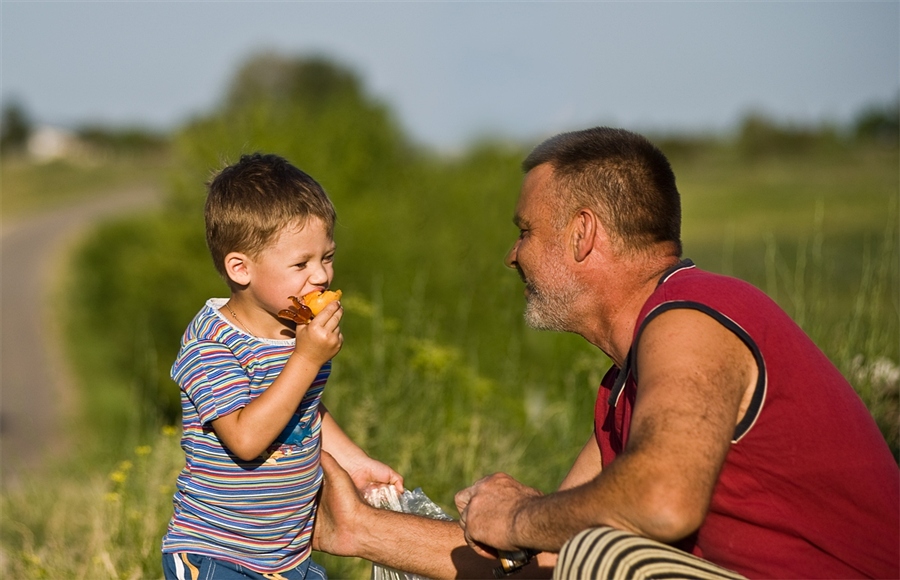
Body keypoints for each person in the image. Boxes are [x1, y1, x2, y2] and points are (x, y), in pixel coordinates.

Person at [312, 127, 900, 579]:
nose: (512, 256)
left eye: (525, 231)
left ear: (582, 233)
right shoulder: (626, 383)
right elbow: (543, 564)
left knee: (603, 553)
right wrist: (359, 529)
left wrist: (515, 518)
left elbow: (660, 504)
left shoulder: (693, 317)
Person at [161, 153, 403, 580]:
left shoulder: (293, 331)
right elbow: (245, 439)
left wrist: (355, 462)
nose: (321, 276)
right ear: (241, 268)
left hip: (285, 558)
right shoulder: (212, 344)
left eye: (327, 257)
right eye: (301, 264)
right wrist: (307, 359)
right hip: (218, 555)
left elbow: (304, 409)